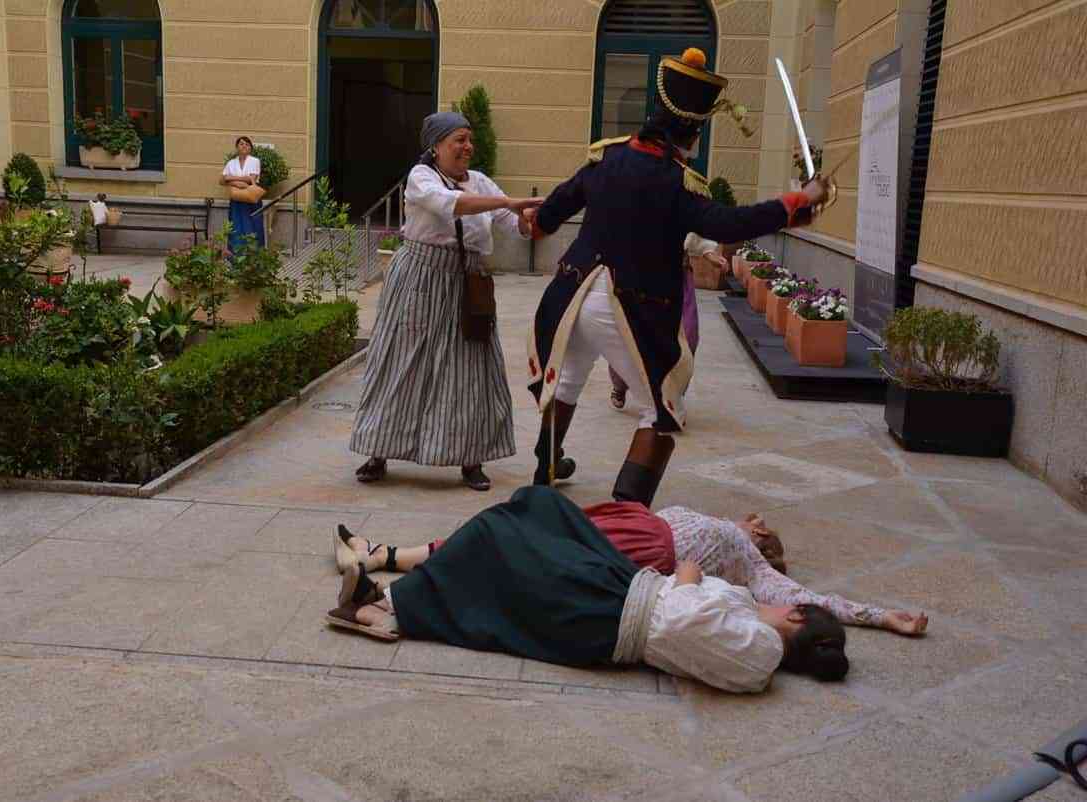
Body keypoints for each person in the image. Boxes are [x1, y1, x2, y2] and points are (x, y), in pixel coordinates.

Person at [524, 48, 835, 507]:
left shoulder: (604, 158)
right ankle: (629, 513)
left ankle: (543, 475)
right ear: (690, 131)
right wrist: (796, 201)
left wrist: (534, 223)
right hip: (625, 304)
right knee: (662, 407)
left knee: (567, 379)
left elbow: (550, 214)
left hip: (572, 294)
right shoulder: (677, 182)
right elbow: (728, 224)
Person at [326, 486, 848, 693]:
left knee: (496, 540)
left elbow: (684, 623)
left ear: (797, 616)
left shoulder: (761, 652)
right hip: (622, 589)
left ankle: (387, 604)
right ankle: (385, 599)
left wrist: (689, 578)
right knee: (541, 507)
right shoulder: (755, 632)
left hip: (616, 611)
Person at [333, 500, 928, 637]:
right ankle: (383, 557)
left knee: (510, 545)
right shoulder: (718, 524)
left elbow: (810, 599)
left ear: (764, 545)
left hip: (636, 548)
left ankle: (386, 572)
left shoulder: (749, 564)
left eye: (761, 529)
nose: (755, 523)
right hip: (628, 522)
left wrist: (882, 616)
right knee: (510, 526)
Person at [349, 112, 542, 491]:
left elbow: (513, 225)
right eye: (459, 139)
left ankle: (471, 460)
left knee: (471, 371)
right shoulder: (421, 178)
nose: (468, 146)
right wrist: (509, 201)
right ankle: (378, 451)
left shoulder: (481, 182)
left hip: (468, 284)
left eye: (469, 139)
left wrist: (526, 219)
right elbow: (451, 204)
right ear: (436, 146)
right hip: (418, 279)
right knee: (400, 363)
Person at [609, 233, 724, 409]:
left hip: (678, 279)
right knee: (631, 334)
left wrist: (708, 252)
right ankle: (620, 383)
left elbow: (695, 226)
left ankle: (673, 393)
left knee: (689, 336)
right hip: (641, 276)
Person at [219, 135, 265, 252]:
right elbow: (222, 180)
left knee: (253, 227)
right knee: (236, 228)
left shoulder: (255, 161)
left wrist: (231, 179)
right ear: (237, 147)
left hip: (251, 200)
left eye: (247, 144)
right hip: (236, 200)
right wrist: (238, 182)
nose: (244, 146)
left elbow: (251, 178)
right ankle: (235, 256)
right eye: (241, 144)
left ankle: (254, 255)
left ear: (250, 148)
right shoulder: (231, 163)